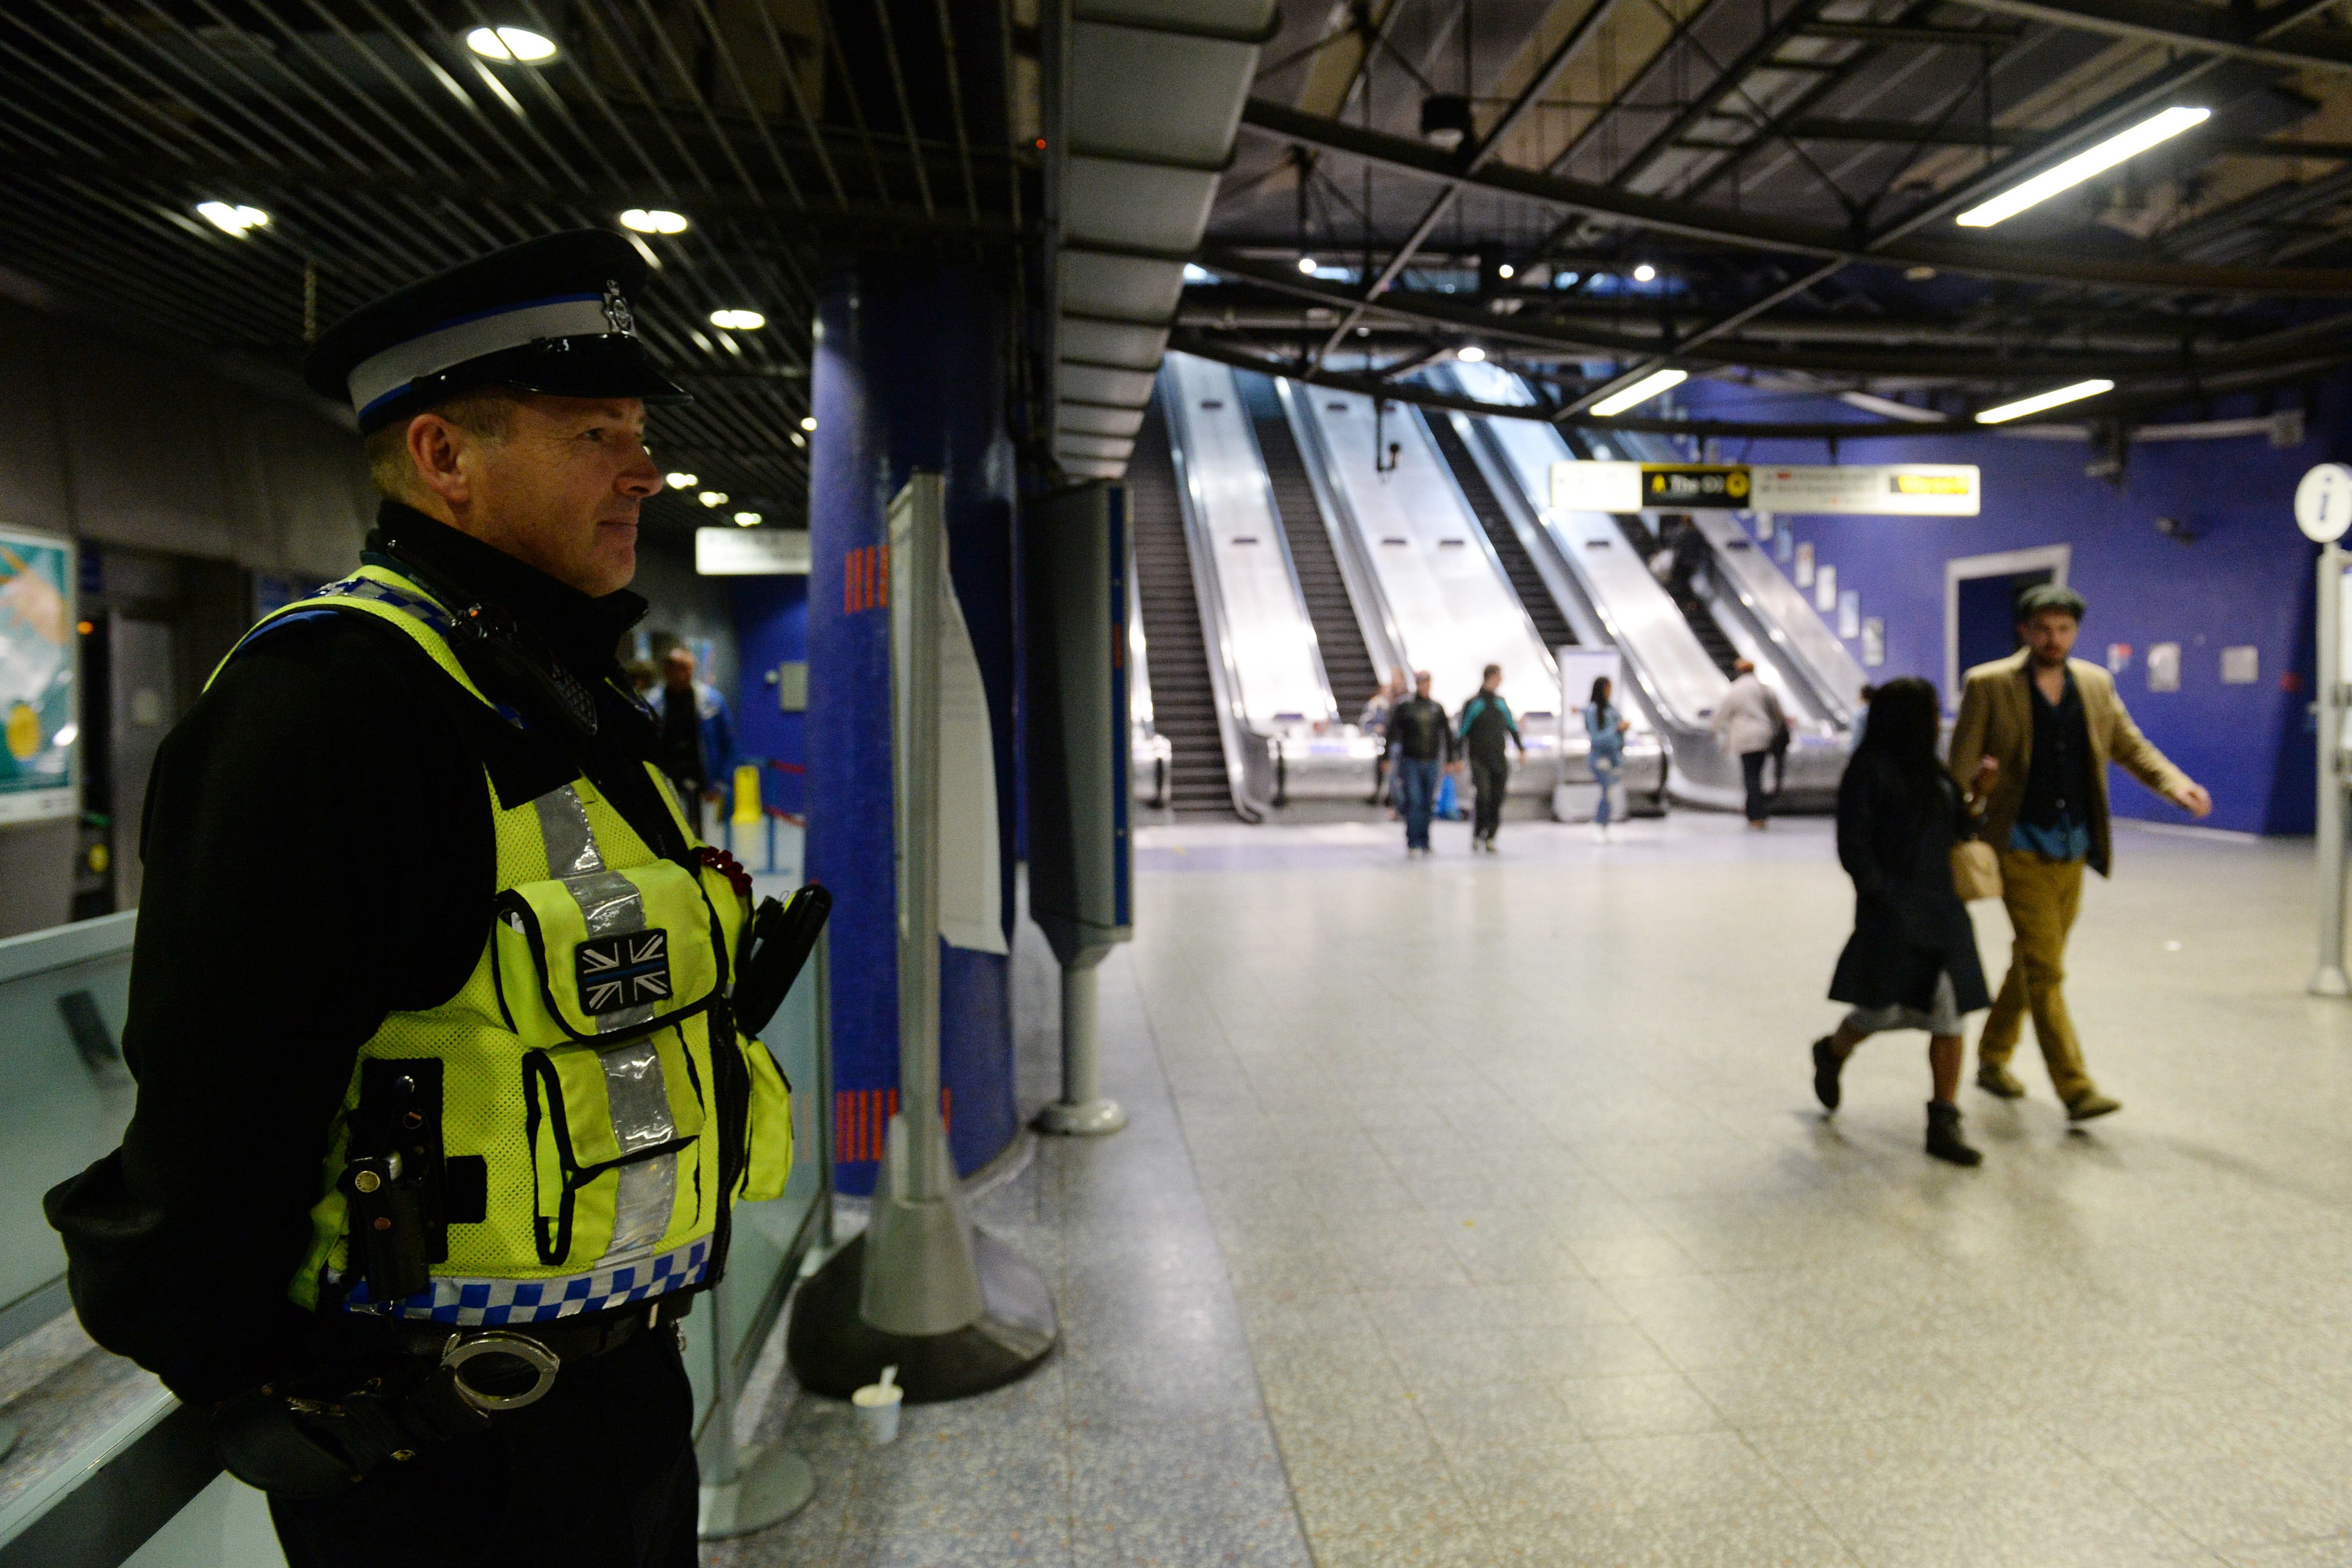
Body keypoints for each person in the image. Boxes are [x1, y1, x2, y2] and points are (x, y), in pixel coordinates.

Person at [44, 231, 795, 1568]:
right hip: (440, 1460)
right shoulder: (331, 706)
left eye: (636, 428)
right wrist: (300, 1392)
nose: (644, 468)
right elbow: (216, 1118)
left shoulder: (564, 696)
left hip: (619, 1409)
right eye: (594, 432)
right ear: (446, 456)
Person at [1950, 582, 2211, 1122]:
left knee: (2031, 960)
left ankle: (1992, 1057)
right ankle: (2074, 1087)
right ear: (2024, 631)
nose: (2053, 638)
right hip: (2017, 844)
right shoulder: (1988, 685)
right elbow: (1956, 772)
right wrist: (1970, 799)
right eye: (2043, 629)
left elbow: (2128, 744)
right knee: (2047, 968)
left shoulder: (2093, 684)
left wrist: (2175, 785)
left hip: (2074, 845)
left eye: (2063, 629)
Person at [1812, 679, 1998, 1165]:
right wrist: (1879, 894)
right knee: (1880, 1009)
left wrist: (1978, 795)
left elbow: (1960, 829)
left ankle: (1944, 1118)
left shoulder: (1932, 770)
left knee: (1949, 1011)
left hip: (1942, 907)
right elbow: (1853, 843)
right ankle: (1832, 1052)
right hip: (1894, 909)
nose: (1937, 719)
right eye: (1930, 710)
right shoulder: (1869, 769)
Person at [647, 644, 737, 839]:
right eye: (675, 666)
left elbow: (728, 743)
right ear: (666, 669)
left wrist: (721, 782)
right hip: (666, 780)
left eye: (686, 666)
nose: (680, 672)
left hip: (703, 781)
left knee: (704, 839)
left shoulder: (712, 702)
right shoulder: (653, 703)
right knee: (669, 837)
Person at [1456, 663, 1525, 854]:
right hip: (1479, 759)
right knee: (1483, 795)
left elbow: (1512, 726)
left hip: (1498, 758)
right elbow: (1463, 731)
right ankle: (1478, 832)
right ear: (1491, 677)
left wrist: (1521, 748)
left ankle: (1492, 835)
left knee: (1497, 797)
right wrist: (1458, 756)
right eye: (1499, 676)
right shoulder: (1474, 704)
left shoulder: (1501, 703)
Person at [1710, 658, 1785, 829]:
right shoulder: (1764, 689)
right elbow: (1778, 713)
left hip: (1745, 737)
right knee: (1757, 775)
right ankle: (1754, 809)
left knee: (1750, 776)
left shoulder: (1736, 689)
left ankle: (1756, 814)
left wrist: (1714, 730)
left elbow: (1722, 713)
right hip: (1764, 736)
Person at [1385, 669, 1452, 857]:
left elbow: (1446, 734)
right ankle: (1413, 841)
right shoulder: (1405, 706)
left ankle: (1425, 840)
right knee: (1414, 801)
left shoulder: (1436, 708)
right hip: (1411, 761)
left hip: (1431, 761)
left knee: (1428, 801)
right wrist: (1387, 758)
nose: (1426, 686)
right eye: (1423, 683)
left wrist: (1452, 759)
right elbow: (1392, 732)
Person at [1583, 675, 1630, 840]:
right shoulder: (1594, 711)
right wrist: (1615, 729)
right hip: (1600, 757)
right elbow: (1597, 738)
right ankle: (1600, 824)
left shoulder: (1612, 709)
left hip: (1614, 757)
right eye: (1607, 688)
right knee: (1607, 790)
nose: (1610, 692)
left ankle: (1604, 824)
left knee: (1610, 792)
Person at [1362, 666, 1407, 810]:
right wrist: (1376, 728)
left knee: (1398, 774)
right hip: (1386, 742)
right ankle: (1388, 798)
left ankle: (1395, 801)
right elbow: (1366, 723)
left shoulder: (1403, 700)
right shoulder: (1377, 704)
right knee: (1388, 771)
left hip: (1400, 742)